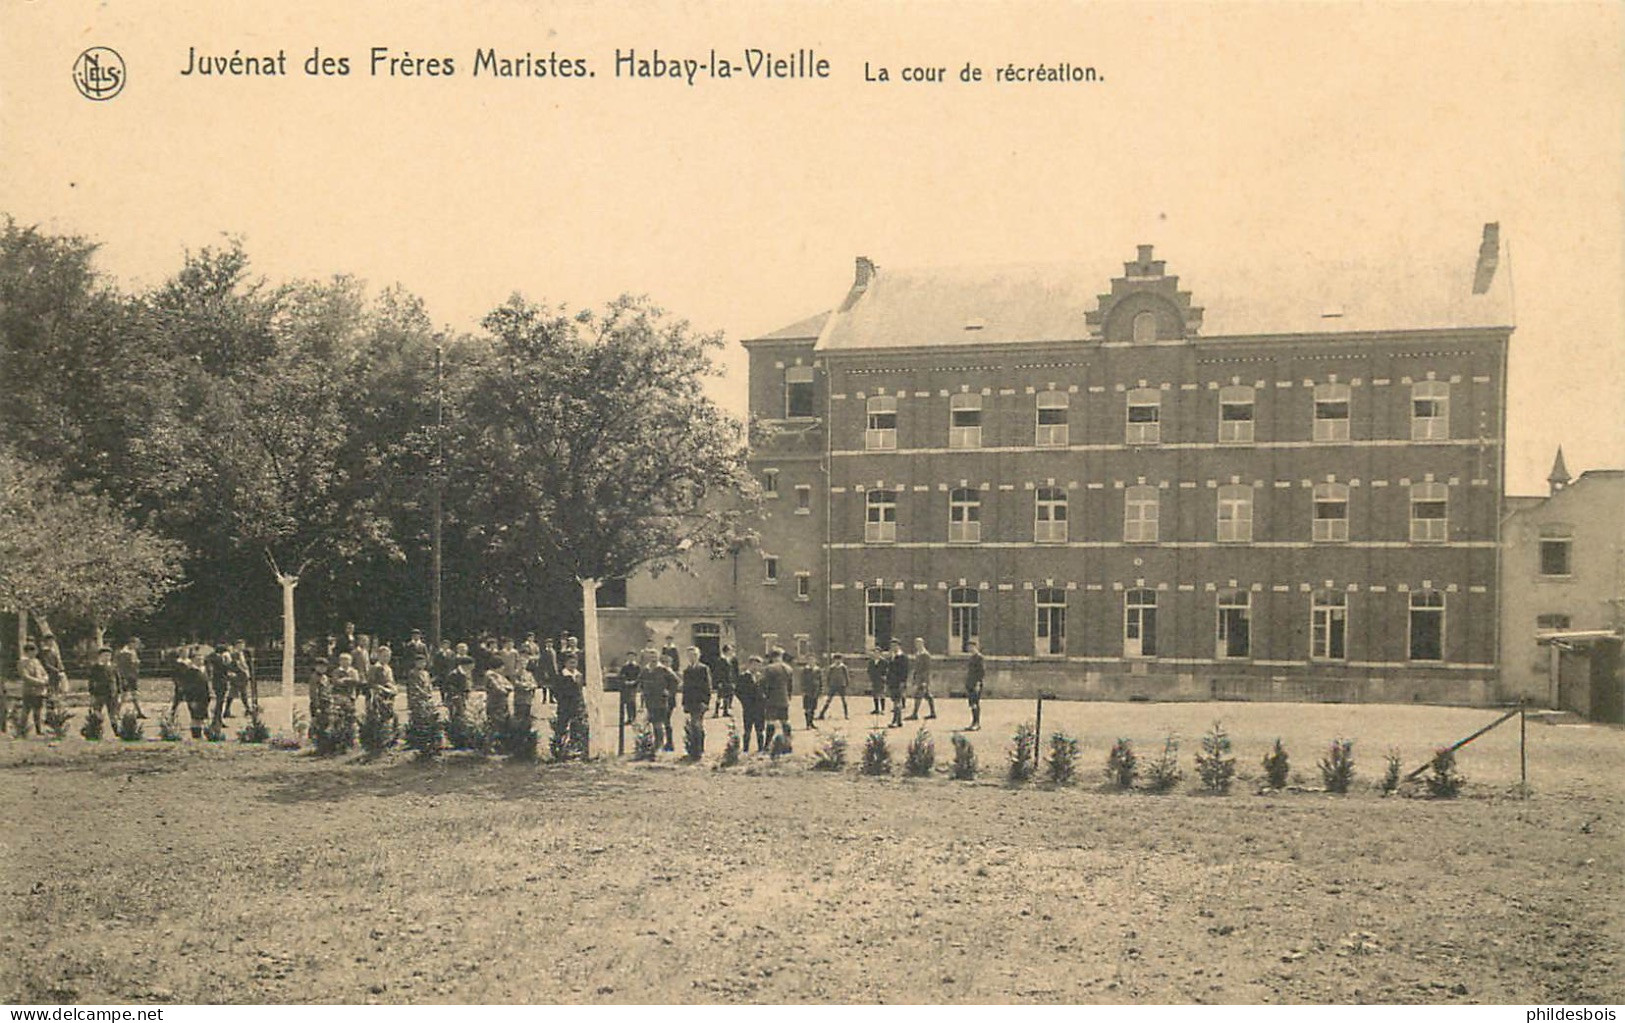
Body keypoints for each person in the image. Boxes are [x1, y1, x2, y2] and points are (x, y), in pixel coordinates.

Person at [638, 648, 676, 753]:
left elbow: (676, 681)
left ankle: (660, 745)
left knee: (659, 723)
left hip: (661, 701)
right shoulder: (645, 670)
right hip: (650, 701)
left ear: (658, 657)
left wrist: (669, 692)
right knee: (654, 723)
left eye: (654, 656)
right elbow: (639, 681)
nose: (652, 659)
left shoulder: (663, 669)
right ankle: (656, 744)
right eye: (650, 657)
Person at [761, 647, 794, 752]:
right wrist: (788, 696)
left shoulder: (768, 668)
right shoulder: (788, 668)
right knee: (785, 722)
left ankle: (767, 745)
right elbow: (790, 686)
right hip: (784, 699)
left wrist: (765, 695)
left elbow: (763, 684)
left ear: (773, 657)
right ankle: (788, 745)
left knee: (770, 723)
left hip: (772, 699)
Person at [680, 647, 712, 754]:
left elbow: (707, 686)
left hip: (700, 701)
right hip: (690, 702)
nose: (692, 658)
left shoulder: (703, 669)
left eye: (694, 655)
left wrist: (706, 702)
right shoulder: (687, 670)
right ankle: (695, 748)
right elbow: (685, 688)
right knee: (694, 725)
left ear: (698, 656)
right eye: (689, 656)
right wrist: (684, 703)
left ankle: (699, 749)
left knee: (696, 724)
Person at [553, 652, 587, 755]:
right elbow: (557, 691)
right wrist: (563, 701)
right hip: (565, 706)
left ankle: (575, 748)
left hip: (577, 705)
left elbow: (580, 691)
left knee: (576, 727)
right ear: (565, 664)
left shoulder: (579, 675)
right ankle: (560, 749)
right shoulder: (561, 676)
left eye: (575, 663)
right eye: (571, 663)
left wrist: (581, 703)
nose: (573, 665)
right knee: (562, 727)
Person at [177, 650, 213, 739]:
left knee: (202, 717)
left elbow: (207, 683)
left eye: (202, 659)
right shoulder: (190, 671)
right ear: (193, 660)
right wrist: (191, 700)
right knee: (195, 717)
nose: (201, 661)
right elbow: (188, 686)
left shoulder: (204, 670)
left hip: (204, 697)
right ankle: (196, 735)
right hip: (195, 698)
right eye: (198, 659)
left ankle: (200, 734)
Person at [736, 655, 766, 752]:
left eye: (759, 665)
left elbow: (766, 690)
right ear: (750, 665)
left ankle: (761, 749)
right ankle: (745, 749)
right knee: (747, 730)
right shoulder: (743, 677)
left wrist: (764, 699)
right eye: (755, 665)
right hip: (748, 707)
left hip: (760, 707)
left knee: (760, 730)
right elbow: (738, 691)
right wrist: (745, 702)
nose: (757, 668)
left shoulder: (761, 677)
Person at [17, 642, 49, 736]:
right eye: (33, 651)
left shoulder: (36, 661)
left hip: (39, 691)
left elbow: (44, 673)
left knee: (38, 711)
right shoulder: (22, 662)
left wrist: (45, 679)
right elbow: (25, 676)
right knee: (26, 711)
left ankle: (38, 730)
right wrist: (39, 682)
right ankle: (22, 730)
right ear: (27, 652)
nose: (35, 653)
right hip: (29, 690)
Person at [87, 647, 121, 725]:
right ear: (100, 656)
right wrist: (91, 693)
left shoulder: (113, 667)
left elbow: (118, 680)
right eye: (105, 655)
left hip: (112, 693)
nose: (107, 658)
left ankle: (116, 730)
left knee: (113, 713)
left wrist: (119, 693)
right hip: (99, 693)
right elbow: (91, 681)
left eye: (109, 656)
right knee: (97, 712)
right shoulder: (95, 668)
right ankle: (95, 728)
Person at [906, 637, 937, 721]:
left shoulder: (925, 654)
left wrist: (925, 681)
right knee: (928, 695)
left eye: (919, 643)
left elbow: (927, 669)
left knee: (918, 695)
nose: (917, 645)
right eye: (916, 644)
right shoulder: (918, 653)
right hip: (919, 677)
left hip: (923, 679)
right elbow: (916, 668)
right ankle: (933, 713)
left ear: (922, 644)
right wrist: (914, 678)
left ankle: (915, 714)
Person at [115, 637, 145, 719]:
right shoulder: (123, 653)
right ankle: (116, 713)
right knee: (124, 696)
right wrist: (123, 678)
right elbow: (121, 667)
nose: (137, 646)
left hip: (133, 676)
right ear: (131, 643)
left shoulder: (133, 652)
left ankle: (139, 712)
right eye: (136, 644)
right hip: (126, 676)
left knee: (135, 694)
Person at [441, 654, 475, 725]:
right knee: (456, 716)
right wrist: (457, 694)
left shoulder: (467, 673)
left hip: (462, 698)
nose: (473, 667)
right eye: (472, 665)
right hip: (455, 699)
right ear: (466, 665)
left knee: (462, 716)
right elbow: (448, 687)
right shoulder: (455, 674)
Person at [307, 656, 333, 741]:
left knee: (325, 720)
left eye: (324, 667)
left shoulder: (325, 677)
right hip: (318, 702)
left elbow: (328, 689)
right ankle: (312, 737)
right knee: (316, 720)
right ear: (315, 667)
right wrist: (316, 704)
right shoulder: (314, 677)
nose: (322, 668)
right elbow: (314, 692)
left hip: (326, 701)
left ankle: (323, 737)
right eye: (320, 666)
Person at [885, 640, 910, 728]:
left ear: (899, 646)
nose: (893, 648)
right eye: (892, 646)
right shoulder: (892, 657)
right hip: (892, 682)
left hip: (899, 682)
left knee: (897, 702)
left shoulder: (903, 657)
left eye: (895, 646)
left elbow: (905, 671)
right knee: (895, 701)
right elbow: (889, 670)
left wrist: (903, 682)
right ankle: (899, 721)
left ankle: (895, 720)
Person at [819, 652, 850, 720]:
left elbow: (846, 676)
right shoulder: (832, 667)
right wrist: (828, 684)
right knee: (828, 700)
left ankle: (846, 714)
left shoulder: (843, 667)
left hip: (841, 685)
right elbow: (828, 676)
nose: (838, 661)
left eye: (839, 659)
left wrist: (847, 683)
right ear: (834, 660)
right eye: (836, 659)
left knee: (844, 700)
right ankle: (821, 714)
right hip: (833, 685)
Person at [963, 640, 985, 730]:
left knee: (975, 703)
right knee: (972, 703)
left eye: (971, 647)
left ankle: (977, 723)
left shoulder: (979, 658)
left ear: (976, 647)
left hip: (976, 683)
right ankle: (973, 722)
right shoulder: (971, 658)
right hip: (970, 683)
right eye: (969, 647)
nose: (970, 649)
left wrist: (978, 683)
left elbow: (981, 671)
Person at [714, 643, 738, 717]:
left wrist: (734, 681)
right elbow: (718, 672)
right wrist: (719, 681)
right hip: (722, 680)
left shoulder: (731, 660)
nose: (731, 652)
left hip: (729, 680)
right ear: (726, 651)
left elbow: (733, 671)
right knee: (719, 696)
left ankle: (725, 711)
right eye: (730, 650)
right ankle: (716, 712)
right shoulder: (721, 660)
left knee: (727, 696)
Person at [617, 652, 641, 726]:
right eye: (629, 657)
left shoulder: (637, 666)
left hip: (634, 686)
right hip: (626, 686)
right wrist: (625, 681)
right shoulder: (625, 667)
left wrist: (634, 682)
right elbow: (621, 675)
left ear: (635, 658)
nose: (631, 658)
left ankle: (634, 718)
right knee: (627, 702)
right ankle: (629, 718)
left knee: (632, 701)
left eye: (632, 657)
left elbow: (639, 676)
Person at [799, 654, 822, 729]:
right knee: (807, 708)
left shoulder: (818, 670)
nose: (811, 662)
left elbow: (820, 681)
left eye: (813, 660)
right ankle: (807, 724)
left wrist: (820, 691)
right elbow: (802, 681)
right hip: (807, 691)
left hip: (815, 691)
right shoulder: (805, 670)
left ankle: (811, 722)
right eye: (809, 660)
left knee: (813, 708)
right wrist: (803, 690)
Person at [867, 647, 888, 716]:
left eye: (877, 653)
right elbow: (869, 670)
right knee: (875, 694)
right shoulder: (871, 662)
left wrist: (884, 676)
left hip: (881, 680)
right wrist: (871, 677)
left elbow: (887, 670)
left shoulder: (884, 662)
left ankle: (883, 709)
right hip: (874, 680)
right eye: (875, 653)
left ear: (880, 654)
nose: (876, 654)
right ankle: (876, 709)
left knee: (882, 694)